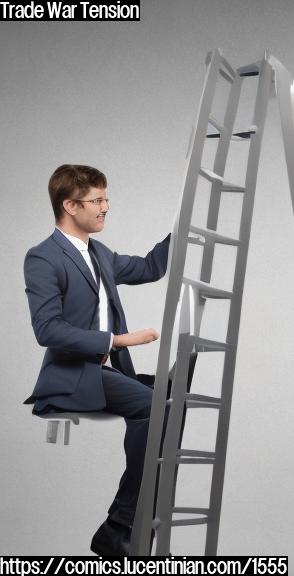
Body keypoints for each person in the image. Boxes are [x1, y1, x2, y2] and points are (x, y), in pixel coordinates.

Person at [24, 164, 169, 555]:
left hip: (105, 372)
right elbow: (47, 330)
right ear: (70, 205)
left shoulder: (99, 253)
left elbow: (150, 267)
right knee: (152, 407)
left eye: (106, 198)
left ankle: (136, 517)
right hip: (73, 375)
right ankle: (120, 526)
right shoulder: (43, 258)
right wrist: (118, 339)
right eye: (97, 200)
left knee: (172, 396)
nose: (106, 207)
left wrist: (186, 228)